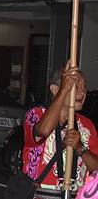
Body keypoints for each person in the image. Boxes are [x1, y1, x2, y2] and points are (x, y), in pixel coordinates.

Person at [22, 65, 98, 197]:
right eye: (75, 87)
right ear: (55, 89)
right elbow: (44, 131)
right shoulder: (37, 114)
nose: (82, 92)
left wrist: (80, 148)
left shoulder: (87, 125)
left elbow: (96, 169)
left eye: (84, 87)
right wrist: (64, 89)